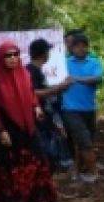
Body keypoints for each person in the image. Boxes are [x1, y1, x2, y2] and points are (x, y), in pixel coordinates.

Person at [0, 42, 60, 202]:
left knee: (39, 163)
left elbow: (31, 94)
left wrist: (36, 107)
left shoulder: (24, 74)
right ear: (1, 58)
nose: (12, 59)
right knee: (12, 168)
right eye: (7, 56)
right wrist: (0, 130)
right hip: (8, 128)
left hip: (28, 126)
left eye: (15, 55)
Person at [62, 32, 104, 183]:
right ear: (71, 48)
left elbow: (96, 78)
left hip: (89, 108)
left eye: (83, 46)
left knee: (85, 141)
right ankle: (94, 173)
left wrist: (76, 79)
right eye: (77, 46)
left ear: (87, 48)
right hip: (70, 108)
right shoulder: (64, 63)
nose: (80, 49)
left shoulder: (94, 62)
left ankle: (78, 171)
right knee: (83, 140)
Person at [26, 39, 73, 172]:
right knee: (45, 144)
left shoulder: (37, 70)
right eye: (47, 51)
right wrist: (59, 88)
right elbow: (34, 93)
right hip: (38, 115)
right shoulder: (31, 71)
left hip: (45, 114)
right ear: (43, 54)